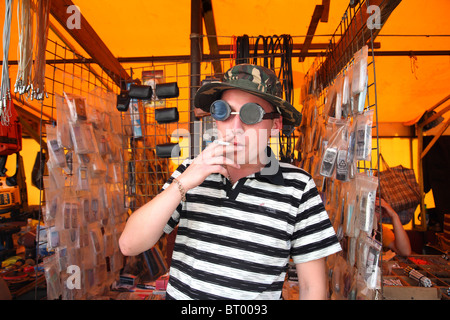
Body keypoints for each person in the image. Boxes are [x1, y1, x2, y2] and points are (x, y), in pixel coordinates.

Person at [119, 64, 342, 300]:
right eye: (224, 112)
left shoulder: (298, 187)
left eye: (251, 114)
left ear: (275, 125)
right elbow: (129, 245)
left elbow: (312, 287)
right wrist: (182, 183)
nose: (235, 128)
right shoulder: (191, 172)